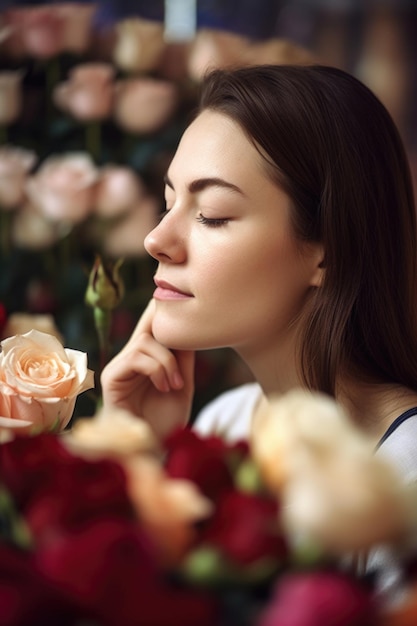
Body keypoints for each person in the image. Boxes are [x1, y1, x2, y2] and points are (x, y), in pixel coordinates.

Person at [101, 63, 417, 603]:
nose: (157, 238)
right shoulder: (224, 425)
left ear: (330, 248)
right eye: (169, 199)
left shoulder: (404, 475)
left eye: (213, 215)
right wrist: (137, 454)